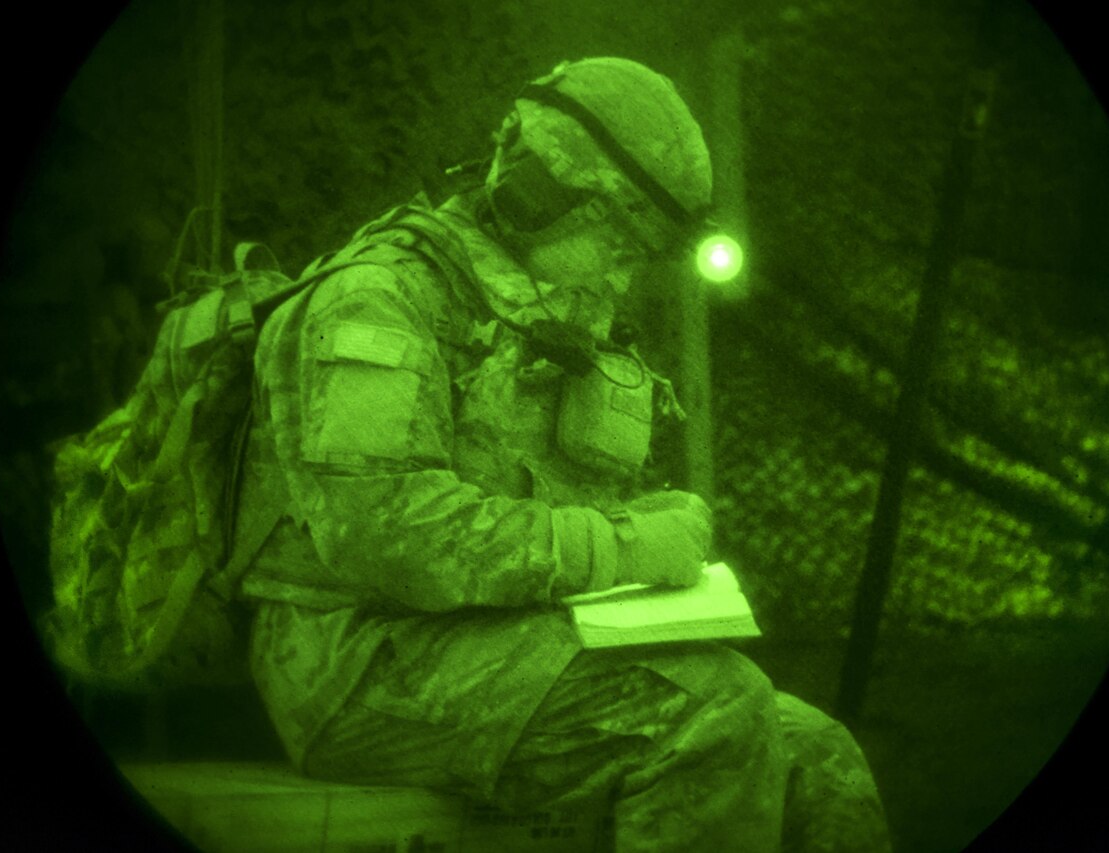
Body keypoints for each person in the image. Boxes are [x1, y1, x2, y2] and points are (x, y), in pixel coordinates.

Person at [234, 56, 891, 852]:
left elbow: (520, 506)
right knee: (715, 712)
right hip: (353, 664)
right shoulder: (379, 297)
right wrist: (618, 544)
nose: (622, 276)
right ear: (541, 199)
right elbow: (378, 530)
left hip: (500, 642)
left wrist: (635, 522)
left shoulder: (539, 308)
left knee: (819, 754)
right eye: (616, 243)